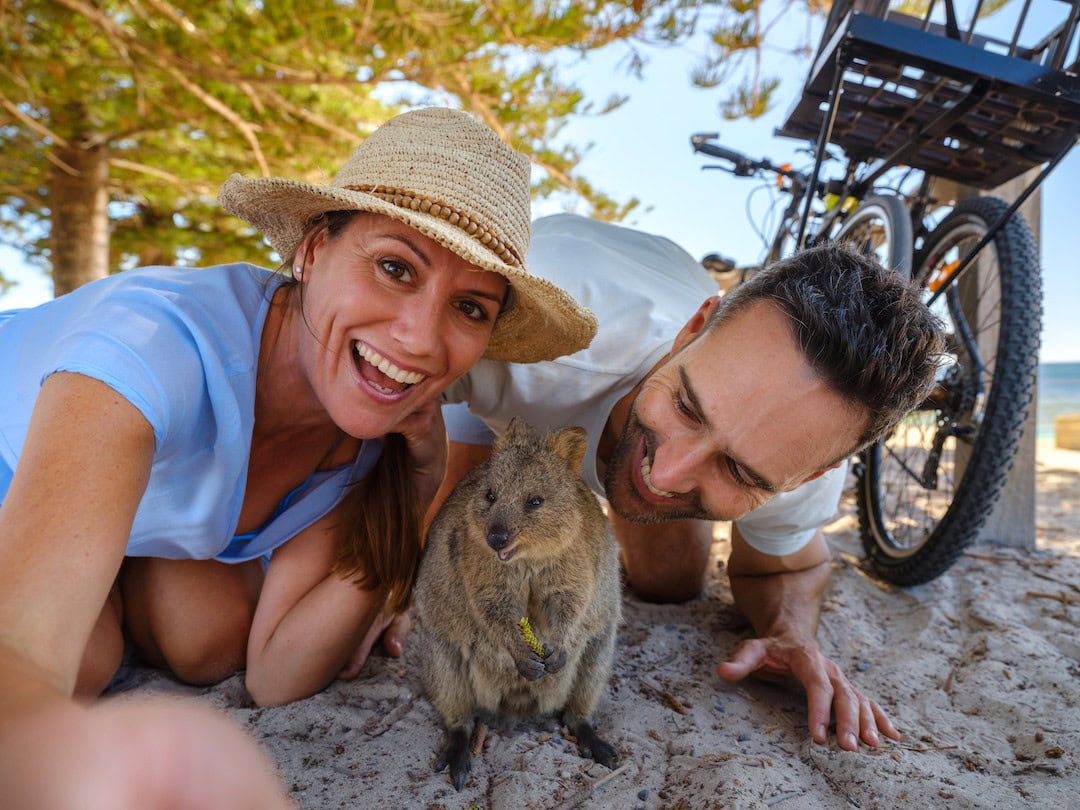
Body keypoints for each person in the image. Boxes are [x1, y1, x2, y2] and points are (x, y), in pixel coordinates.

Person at [0, 108, 596, 806]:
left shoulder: (367, 428)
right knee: (81, 663)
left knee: (210, 637)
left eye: (469, 308)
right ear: (312, 251)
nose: (420, 338)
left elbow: (276, 673)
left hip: (110, 527)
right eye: (395, 267)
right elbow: (23, 652)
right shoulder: (154, 345)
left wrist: (416, 488)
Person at [436, 213, 944, 752]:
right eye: (687, 406)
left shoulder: (805, 453)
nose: (668, 475)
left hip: (658, 305)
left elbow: (793, 566)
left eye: (740, 471)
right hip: (530, 346)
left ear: (810, 476)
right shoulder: (525, 334)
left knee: (671, 582)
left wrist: (792, 632)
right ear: (692, 331)